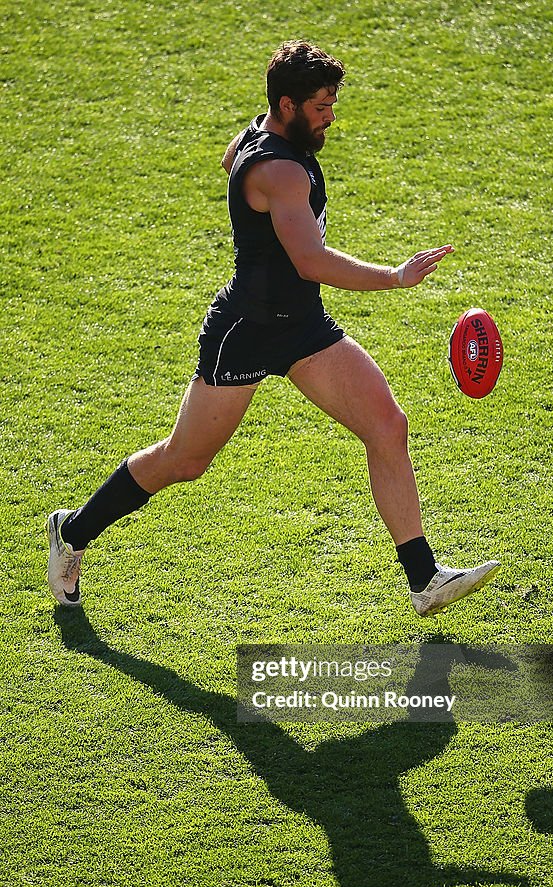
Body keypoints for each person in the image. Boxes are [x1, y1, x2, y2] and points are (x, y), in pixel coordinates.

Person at [47, 40, 500, 616]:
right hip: (248, 330)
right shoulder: (280, 170)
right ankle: (73, 531)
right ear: (287, 105)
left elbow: (232, 157)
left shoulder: (262, 135)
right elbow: (312, 260)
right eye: (320, 106)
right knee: (185, 461)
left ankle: (424, 578)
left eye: (331, 103)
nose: (329, 116)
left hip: (301, 326)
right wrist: (394, 277)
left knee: (387, 423)